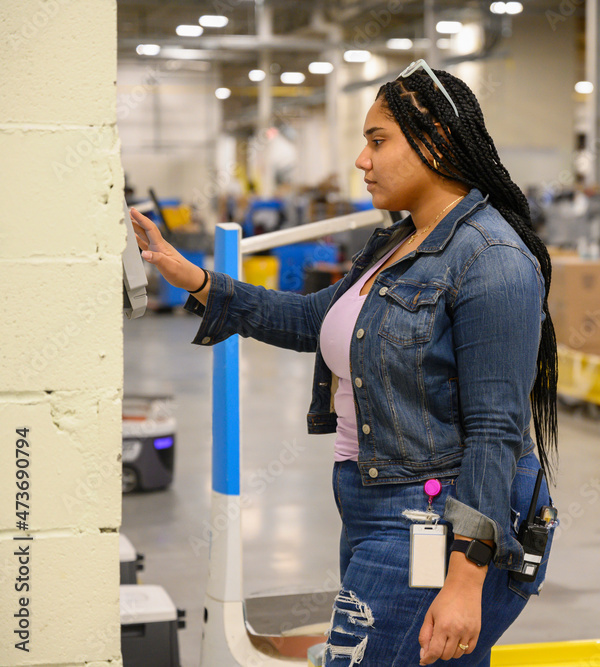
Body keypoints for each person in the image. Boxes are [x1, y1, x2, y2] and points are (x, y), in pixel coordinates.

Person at [130, 59, 558, 666]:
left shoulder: (492, 260)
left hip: (436, 517)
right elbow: (312, 321)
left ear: (436, 140)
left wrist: (465, 581)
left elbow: (495, 433)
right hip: (372, 502)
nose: (362, 158)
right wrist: (193, 278)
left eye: (378, 140)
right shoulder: (398, 242)